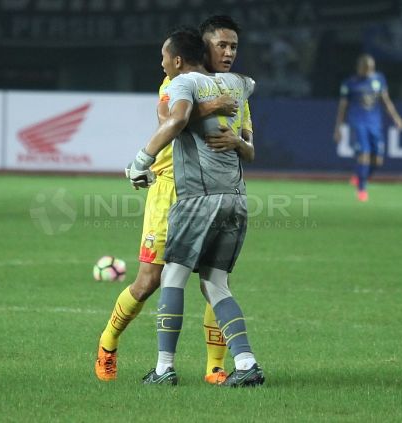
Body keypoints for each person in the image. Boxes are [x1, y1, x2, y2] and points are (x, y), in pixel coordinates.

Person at [95, 15, 254, 385]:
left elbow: (249, 146)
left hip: (211, 193)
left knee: (214, 281)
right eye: (221, 45)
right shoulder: (176, 82)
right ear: (203, 47)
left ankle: (214, 366)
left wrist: (239, 143)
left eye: (233, 47)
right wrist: (211, 108)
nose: (227, 52)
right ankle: (109, 342)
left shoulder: (234, 90)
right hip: (169, 190)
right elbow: (171, 119)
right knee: (149, 281)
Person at [333, 54, 402, 202]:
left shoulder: (378, 80)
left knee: (377, 160)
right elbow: (343, 107)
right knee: (364, 154)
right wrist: (338, 127)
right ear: (359, 67)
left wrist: (396, 118)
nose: (368, 71)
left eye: (371, 68)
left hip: (375, 124)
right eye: (366, 68)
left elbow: (386, 101)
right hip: (358, 123)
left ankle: (360, 176)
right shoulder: (350, 83)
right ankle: (362, 189)